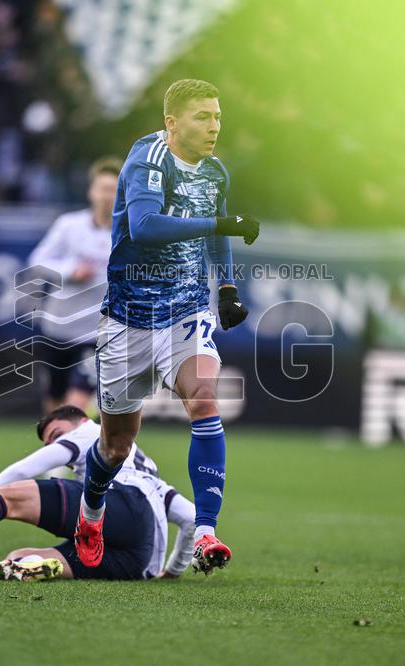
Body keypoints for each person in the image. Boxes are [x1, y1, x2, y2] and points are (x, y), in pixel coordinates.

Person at [73, 79, 261, 574]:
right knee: (116, 445)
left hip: (186, 311)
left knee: (203, 397)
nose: (214, 126)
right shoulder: (148, 159)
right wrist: (219, 225)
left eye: (218, 116)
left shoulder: (215, 172)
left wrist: (226, 289)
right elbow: (146, 226)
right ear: (172, 122)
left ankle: (205, 532)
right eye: (203, 116)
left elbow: (218, 230)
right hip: (128, 318)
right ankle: (90, 514)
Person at [0, 405, 196, 581]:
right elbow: (191, 519)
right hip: (138, 562)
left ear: (80, 421)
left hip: (115, 503)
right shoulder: (148, 472)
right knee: (15, 558)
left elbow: (21, 471)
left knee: (7, 498)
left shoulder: (88, 432)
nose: (55, 444)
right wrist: (172, 571)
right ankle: (38, 566)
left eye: (56, 435)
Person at [26, 157, 121, 414]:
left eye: (114, 190)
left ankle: (74, 433)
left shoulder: (129, 235)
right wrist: (70, 271)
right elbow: (37, 261)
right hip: (57, 327)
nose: (107, 196)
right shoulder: (69, 226)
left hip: (96, 333)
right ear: (91, 192)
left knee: (74, 405)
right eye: (103, 189)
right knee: (54, 404)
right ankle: (60, 440)